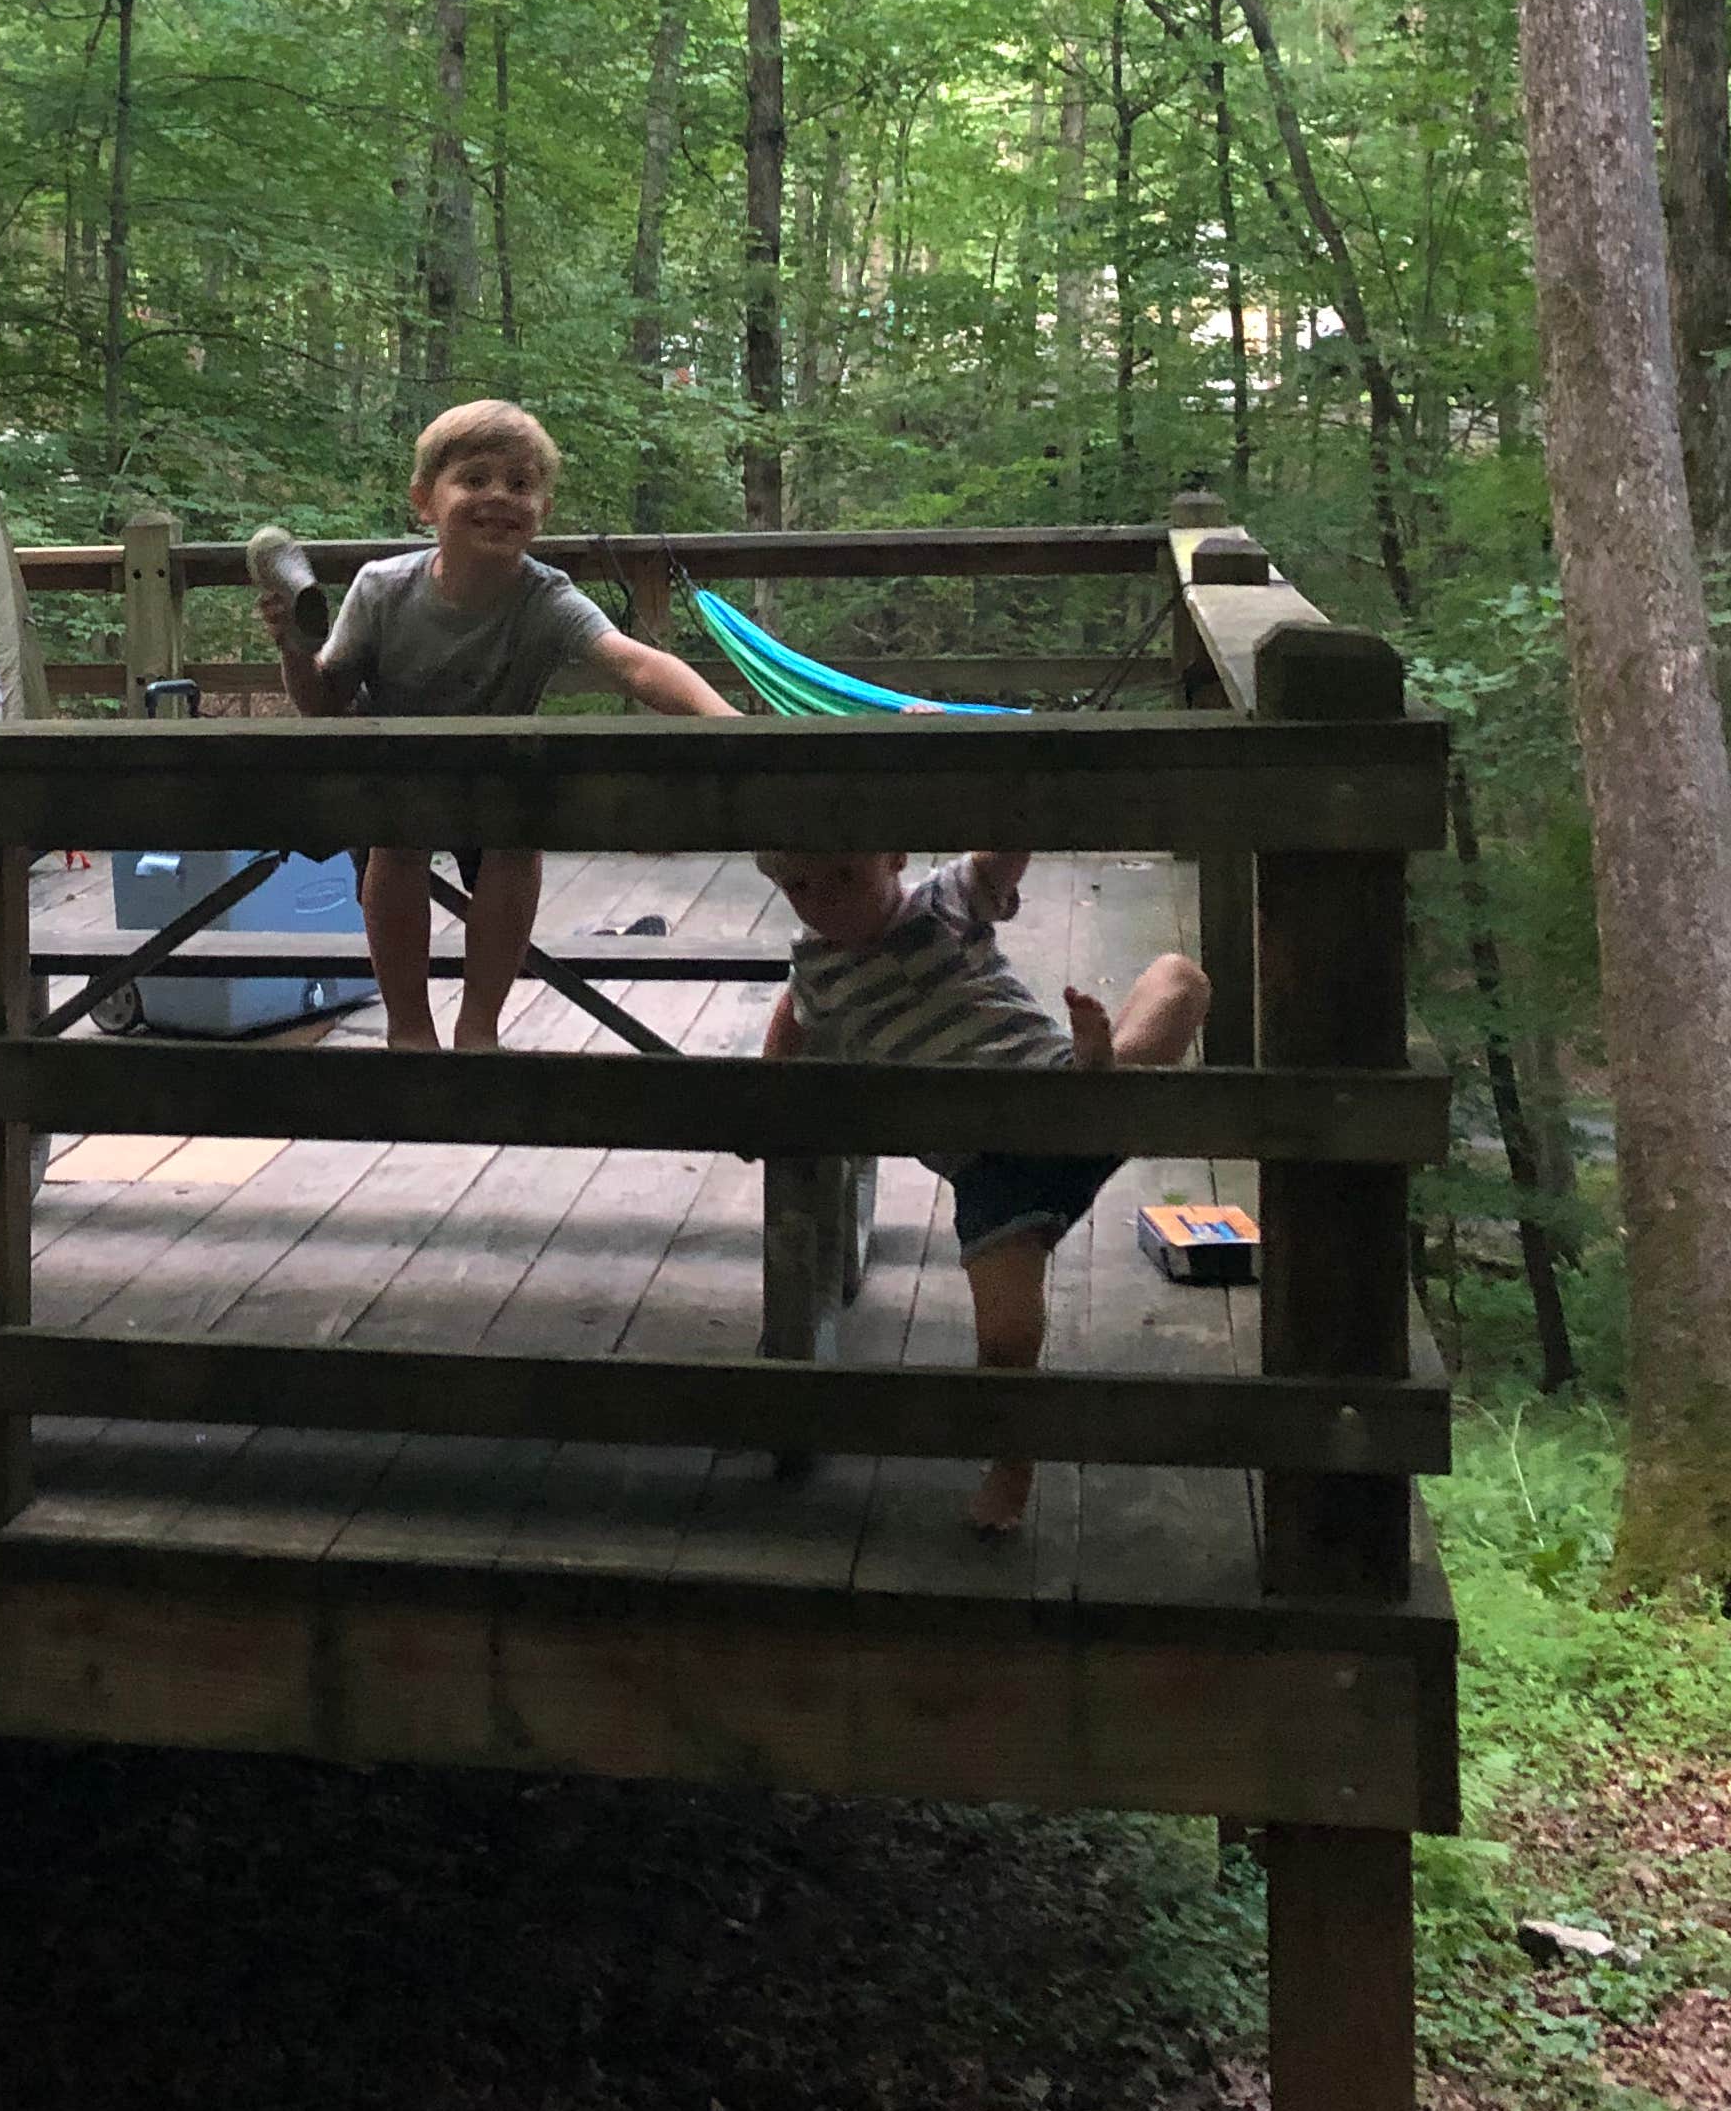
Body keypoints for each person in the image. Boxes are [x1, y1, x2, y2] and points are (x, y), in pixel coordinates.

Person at [755, 843, 1209, 1537]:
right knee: (1006, 1337)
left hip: (1065, 1098)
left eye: (845, 874)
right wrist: (762, 1108)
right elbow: (788, 1032)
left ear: (894, 856)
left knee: (1181, 978)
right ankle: (1010, 1466)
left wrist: (982, 791)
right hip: (989, 1168)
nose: (827, 901)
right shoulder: (815, 971)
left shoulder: (946, 899)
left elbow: (1005, 849)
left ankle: (1107, 1067)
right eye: (801, 888)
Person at [255, 400, 730, 1051]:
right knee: (396, 841)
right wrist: (292, 647)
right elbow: (322, 701)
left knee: (516, 839)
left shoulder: (546, 598)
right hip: (397, 774)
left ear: (543, 511)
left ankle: (478, 1026)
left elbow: (634, 664)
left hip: (495, 777)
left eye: (520, 483)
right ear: (424, 501)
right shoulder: (382, 589)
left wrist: (725, 722)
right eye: (474, 479)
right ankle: (408, 1028)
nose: (499, 496)